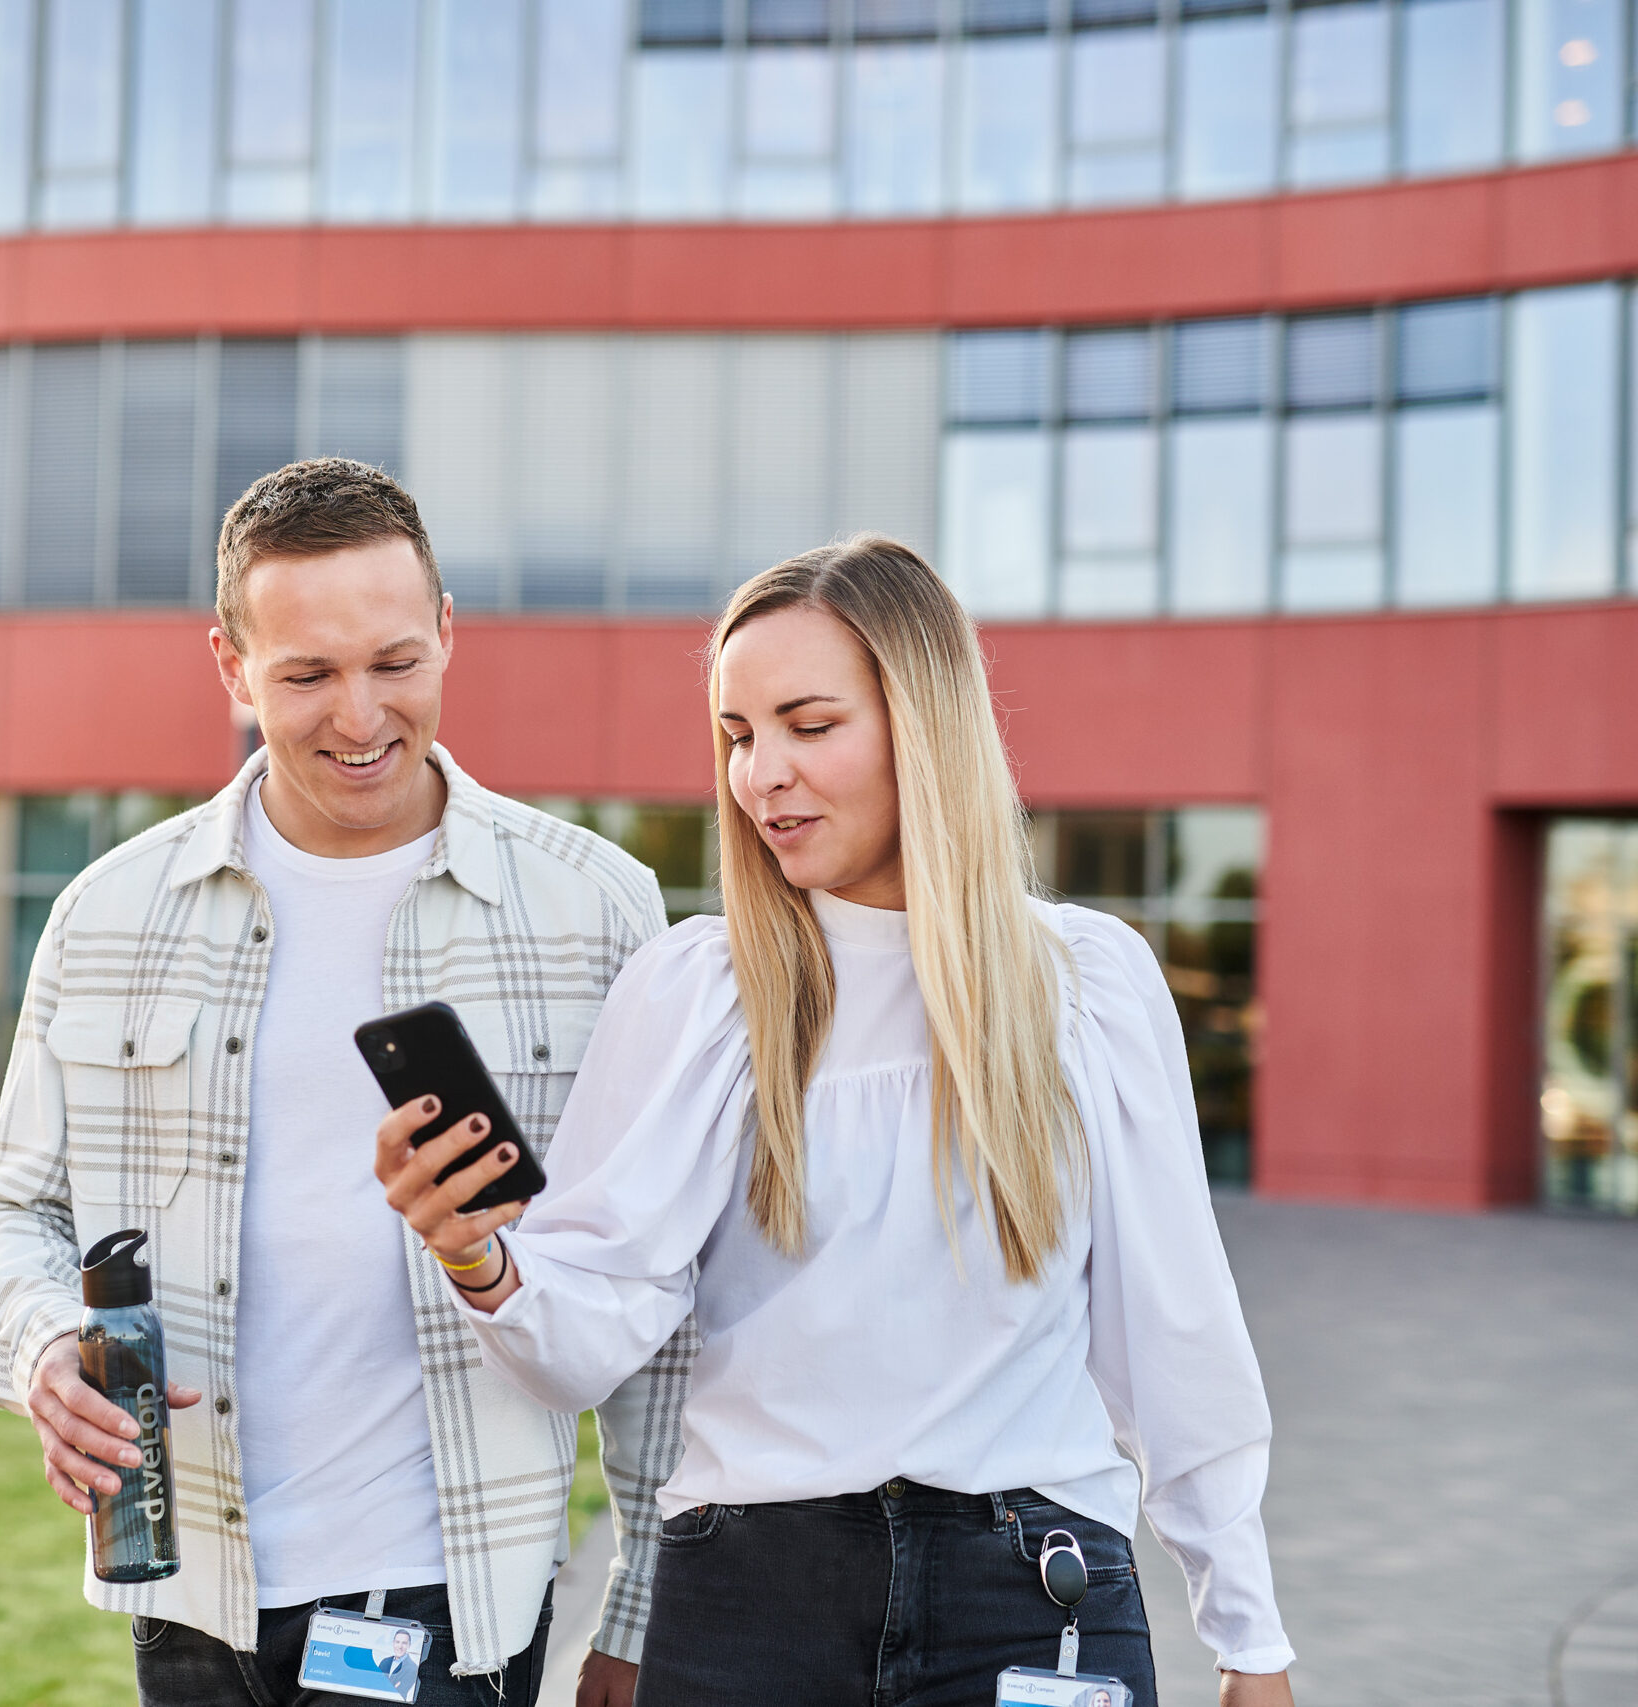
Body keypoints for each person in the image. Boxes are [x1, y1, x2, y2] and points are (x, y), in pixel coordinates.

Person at [376, 536, 1298, 1707]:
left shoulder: (1086, 984)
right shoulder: (699, 993)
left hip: (1032, 1601)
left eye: (808, 727)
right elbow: (596, 1327)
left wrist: (1249, 1639)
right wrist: (479, 1253)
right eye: (737, 736)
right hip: (749, 1613)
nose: (762, 774)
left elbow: (1174, 1338)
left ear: (924, 724)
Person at [0, 458, 693, 1707]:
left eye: (396, 663)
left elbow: (660, 1277)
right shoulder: (108, 916)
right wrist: (40, 1344)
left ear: (449, 633)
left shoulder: (596, 908)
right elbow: (6, 1211)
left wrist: (640, 1600)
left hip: (448, 1592)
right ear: (232, 668)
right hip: (189, 1595)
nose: (359, 717)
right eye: (306, 675)